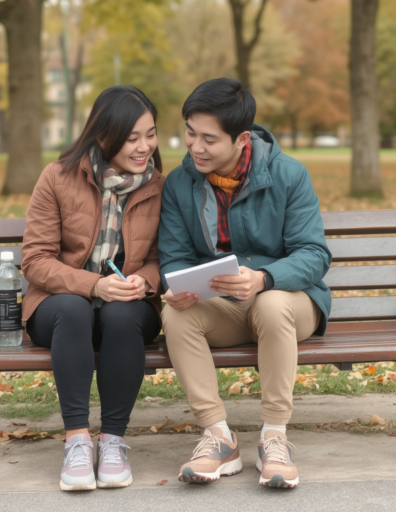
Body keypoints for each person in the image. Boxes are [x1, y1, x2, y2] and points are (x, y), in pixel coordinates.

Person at [158, 78, 331, 489]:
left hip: (291, 301)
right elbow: (176, 256)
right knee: (176, 315)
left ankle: (275, 436)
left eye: (209, 139)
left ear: (241, 138)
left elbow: (314, 254)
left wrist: (265, 278)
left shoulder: (288, 174)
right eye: (189, 132)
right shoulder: (181, 183)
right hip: (225, 304)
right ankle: (218, 436)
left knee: (270, 304)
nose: (195, 147)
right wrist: (179, 284)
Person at [21, 86, 164, 491]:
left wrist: (145, 279)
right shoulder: (58, 177)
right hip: (59, 309)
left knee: (122, 315)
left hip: (128, 309)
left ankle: (113, 442)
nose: (144, 147)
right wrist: (95, 285)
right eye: (132, 137)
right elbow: (35, 260)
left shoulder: (159, 186)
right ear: (103, 135)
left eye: (150, 134)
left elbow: (161, 258)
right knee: (74, 308)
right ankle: (78, 441)